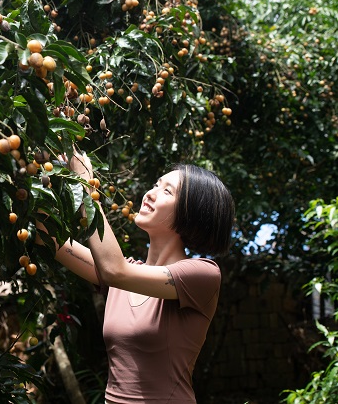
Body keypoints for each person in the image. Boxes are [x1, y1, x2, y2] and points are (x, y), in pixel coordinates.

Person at [44, 153, 235, 403]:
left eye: (167, 191)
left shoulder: (202, 274)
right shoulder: (125, 275)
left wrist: (85, 184)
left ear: (192, 213)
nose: (150, 193)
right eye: (156, 184)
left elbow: (115, 270)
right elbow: (49, 241)